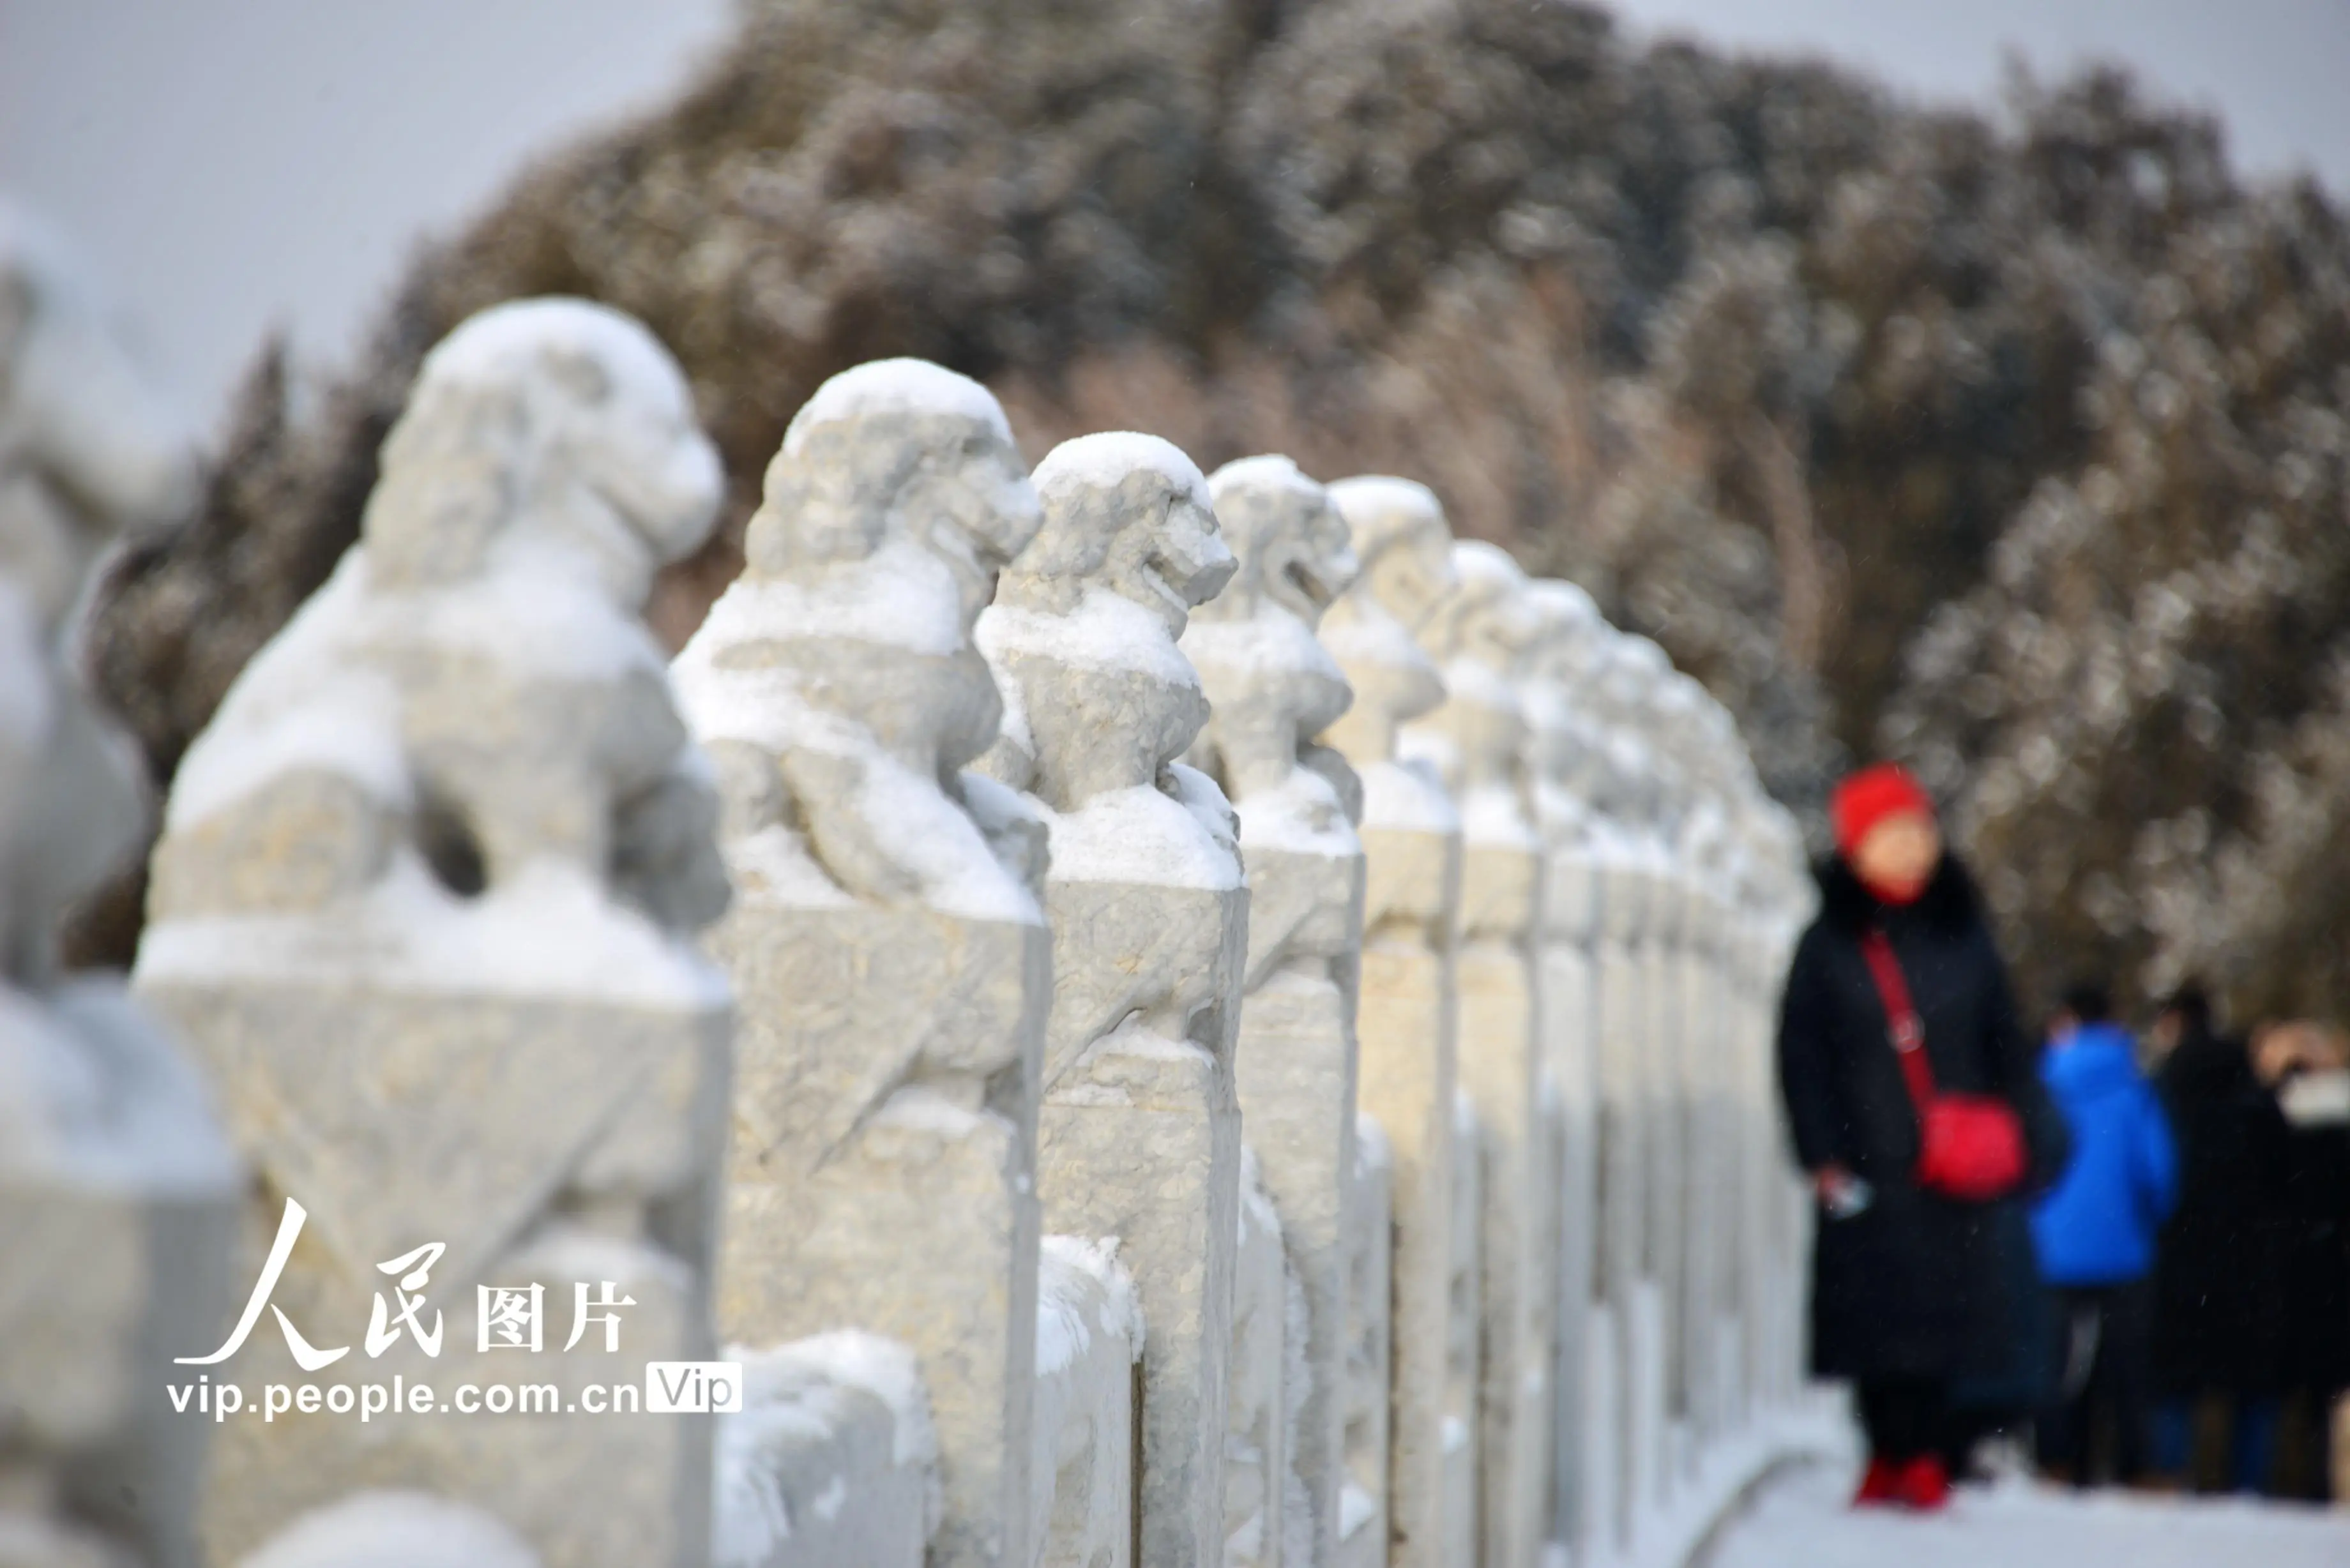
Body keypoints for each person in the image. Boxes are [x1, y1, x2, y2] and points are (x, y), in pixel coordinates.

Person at [1777, 762, 2070, 1512]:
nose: (1910, 848)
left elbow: (2003, 1039)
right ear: (1855, 847)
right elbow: (1800, 1052)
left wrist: (2028, 1126)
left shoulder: (1963, 931)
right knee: (1870, 1316)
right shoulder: (1826, 943)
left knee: (1947, 1315)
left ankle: (1929, 1453)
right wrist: (1820, 1152)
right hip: (1866, 1158)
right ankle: (1882, 1448)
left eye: (1919, 830)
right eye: (1890, 834)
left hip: (1950, 1159)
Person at [2029, 982, 2178, 1486]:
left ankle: (2056, 1457)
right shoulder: (2134, 1087)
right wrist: (2147, 1221)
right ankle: (2134, 1463)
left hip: (2051, 1245)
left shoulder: (2042, 1079)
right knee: (2127, 1365)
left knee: (2053, 1361)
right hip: (2123, 1248)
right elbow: (2157, 1172)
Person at [2148, 986, 2290, 1492]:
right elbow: (2284, 1180)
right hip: (2251, 1258)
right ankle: (2250, 1490)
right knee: (2253, 1386)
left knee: (2173, 1384)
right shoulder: (2256, 1095)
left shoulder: (2163, 1091)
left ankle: (2173, 1480)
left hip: (2178, 1256)